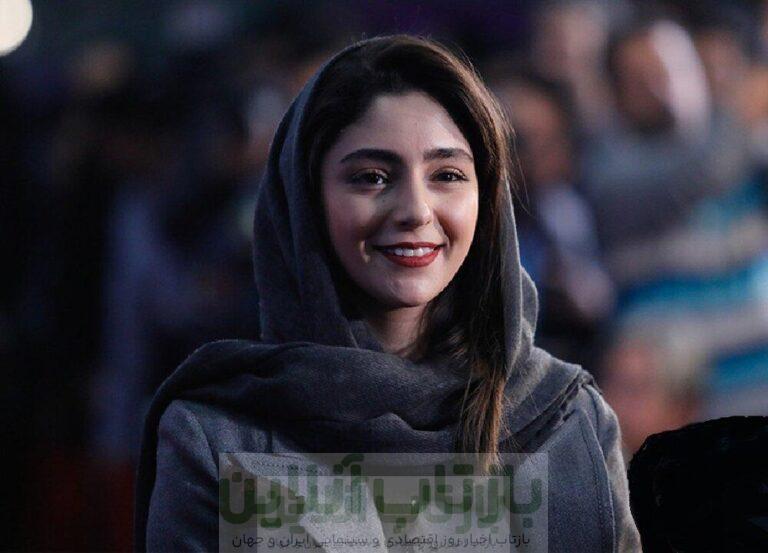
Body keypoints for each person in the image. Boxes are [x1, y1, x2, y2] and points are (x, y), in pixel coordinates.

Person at [133, 35, 641, 552]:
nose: (415, 210)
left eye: (447, 175)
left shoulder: (565, 417)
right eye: (372, 177)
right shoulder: (218, 437)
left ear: (486, 198)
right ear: (306, 202)